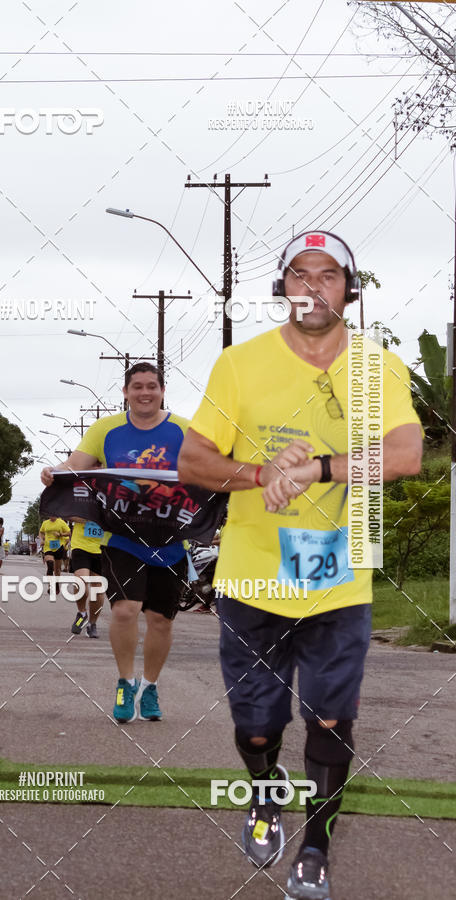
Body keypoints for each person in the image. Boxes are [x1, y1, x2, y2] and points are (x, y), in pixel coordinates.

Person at [177, 231, 423, 900]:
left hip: (340, 580)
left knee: (330, 719)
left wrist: (315, 468)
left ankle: (315, 845)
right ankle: (263, 794)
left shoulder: (379, 368)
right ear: (284, 288)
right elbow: (194, 461)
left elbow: (404, 455)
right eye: (299, 273)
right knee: (256, 727)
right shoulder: (240, 364)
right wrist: (260, 473)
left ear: (350, 289)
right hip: (252, 576)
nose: (313, 285)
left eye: (329, 274)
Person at [41, 363, 189, 724]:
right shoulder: (105, 429)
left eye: (151, 386)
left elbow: (208, 470)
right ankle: (125, 681)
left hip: (170, 541)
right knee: (125, 610)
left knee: (160, 620)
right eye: (136, 386)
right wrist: (54, 472)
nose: (144, 393)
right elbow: (77, 465)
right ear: (125, 392)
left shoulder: (185, 430)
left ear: (162, 390)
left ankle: (150, 685)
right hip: (121, 537)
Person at [69, 520, 107, 638]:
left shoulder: (113, 500)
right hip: (81, 545)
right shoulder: (80, 500)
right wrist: (89, 517)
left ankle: (92, 624)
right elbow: (68, 514)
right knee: (80, 582)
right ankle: (82, 612)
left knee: (98, 589)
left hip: (104, 547)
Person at [38, 515, 71, 591]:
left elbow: (69, 533)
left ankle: (56, 583)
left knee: (57, 569)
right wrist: (42, 539)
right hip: (48, 547)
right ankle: (50, 586)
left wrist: (60, 534)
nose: (51, 516)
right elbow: (41, 532)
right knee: (50, 565)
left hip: (58, 547)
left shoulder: (61, 522)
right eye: (49, 514)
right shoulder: (45, 523)